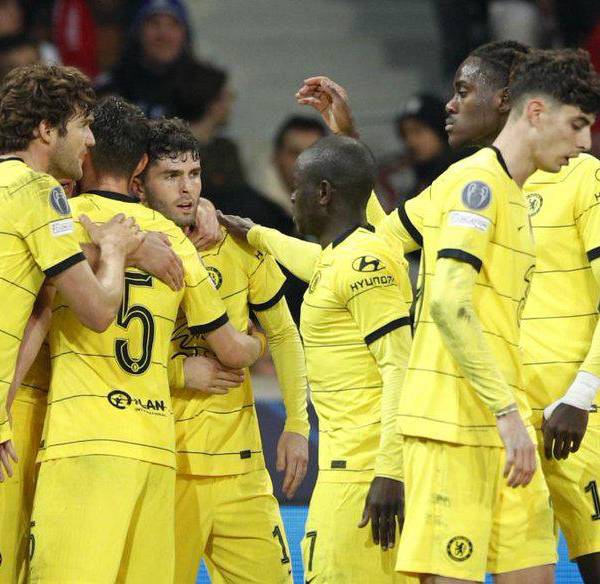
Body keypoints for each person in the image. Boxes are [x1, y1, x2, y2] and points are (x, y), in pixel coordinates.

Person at [299, 43, 600, 584]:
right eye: (578, 125)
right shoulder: (470, 183)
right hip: (472, 417)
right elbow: (382, 248)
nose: (451, 105)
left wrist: (580, 395)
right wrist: (348, 151)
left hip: (556, 415)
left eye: (464, 91)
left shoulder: (562, 180)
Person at [26, 96, 265, 583]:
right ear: (140, 166)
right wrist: (260, 340)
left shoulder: (62, 221)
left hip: (82, 438)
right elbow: (232, 351)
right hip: (156, 449)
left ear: (86, 152)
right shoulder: (174, 240)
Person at [220, 135, 414, 583]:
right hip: (352, 467)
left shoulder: (364, 265)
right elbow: (319, 264)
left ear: (324, 192)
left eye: (298, 186)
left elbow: (400, 368)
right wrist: (257, 233)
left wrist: (390, 471)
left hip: (364, 475)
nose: (291, 197)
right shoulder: (349, 255)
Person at [131, 116, 310, 584]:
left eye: (194, 174)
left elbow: (284, 334)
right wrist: (178, 372)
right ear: (140, 184)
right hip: (166, 466)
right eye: (171, 176)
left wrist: (296, 424)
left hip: (242, 471)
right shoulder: (126, 250)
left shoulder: (237, 245)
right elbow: (101, 353)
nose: (187, 189)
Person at [0, 62, 142, 492]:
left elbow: (35, 305)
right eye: (83, 125)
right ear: (46, 129)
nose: (91, 140)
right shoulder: (38, 190)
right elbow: (97, 310)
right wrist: (115, 249)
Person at [99, 0, 195, 118]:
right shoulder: (112, 84)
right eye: (154, 24)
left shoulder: (206, 86)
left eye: (172, 25)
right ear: (137, 32)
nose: (164, 35)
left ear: (185, 34)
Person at [378, 93, 460, 210]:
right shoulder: (419, 182)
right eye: (405, 134)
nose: (410, 141)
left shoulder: (462, 175)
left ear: (441, 130)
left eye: (417, 131)